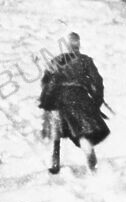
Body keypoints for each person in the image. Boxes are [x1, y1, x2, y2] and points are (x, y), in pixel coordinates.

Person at [39, 32, 109, 174]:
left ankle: (55, 163)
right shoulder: (85, 61)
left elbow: (46, 81)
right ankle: (93, 168)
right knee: (83, 132)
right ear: (79, 45)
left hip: (57, 99)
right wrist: (96, 103)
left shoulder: (56, 60)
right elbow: (98, 83)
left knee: (56, 130)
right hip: (79, 98)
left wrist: (46, 100)